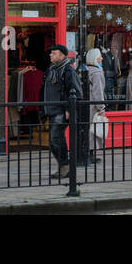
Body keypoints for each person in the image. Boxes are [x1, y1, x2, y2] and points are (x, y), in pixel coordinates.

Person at [43, 45, 81, 177]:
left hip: (61, 111)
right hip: (52, 110)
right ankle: (65, 167)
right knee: (58, 140)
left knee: (55, 140)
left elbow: (76, 92)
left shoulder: (68, 71)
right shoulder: (51, 70)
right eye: (51, 53)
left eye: (54, 53)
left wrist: (69, 109)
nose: (50, 55)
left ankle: (65, 166)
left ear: (62, 55)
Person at [85, 48, 105, 163]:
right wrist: (101, 107)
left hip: (87, 105)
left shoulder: (87, 70)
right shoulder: (97, 72)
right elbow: (98, 92)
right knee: (93, 130)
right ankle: (90, 155)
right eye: (99, 56)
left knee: (88, 129)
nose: (101, 58)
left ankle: (87, 153)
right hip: (93, 106)